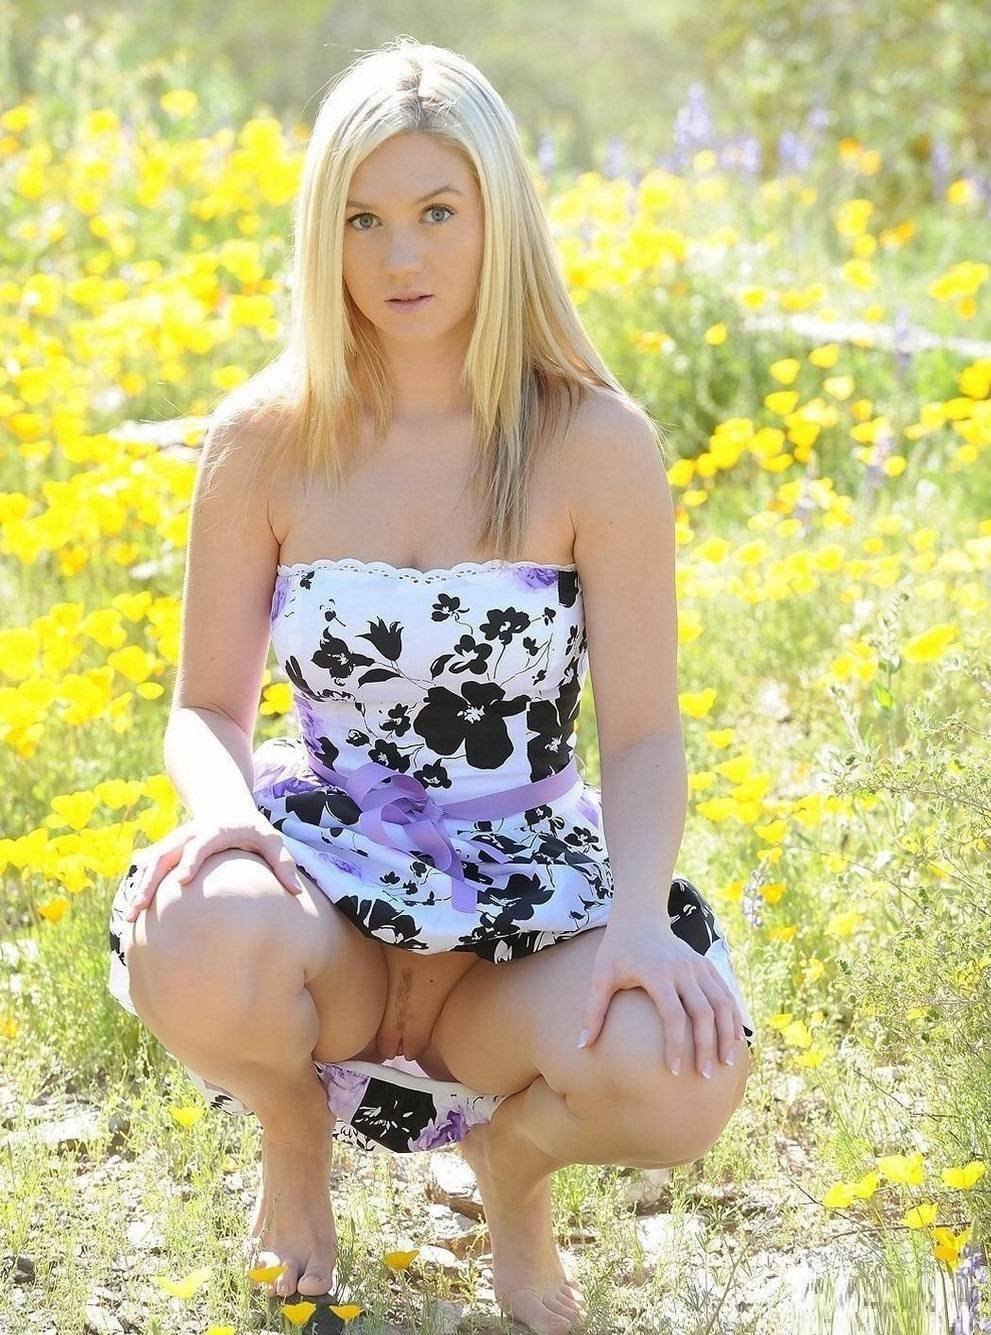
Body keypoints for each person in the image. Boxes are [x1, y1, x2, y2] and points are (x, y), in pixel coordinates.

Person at [106, 37, 757, 1335]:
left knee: (681, 1071)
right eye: (363, 219)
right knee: (194, 929)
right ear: (324, 232)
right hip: (328, 884)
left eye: (437, 213)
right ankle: (295, 1139)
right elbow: (206, 710)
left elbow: (640, 735)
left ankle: (511, 1168)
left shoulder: (595, 443)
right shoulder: (263, 438)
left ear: (499, 215)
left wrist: (638, 923)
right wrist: (223, 821)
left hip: (521, 909)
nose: (399, 257)